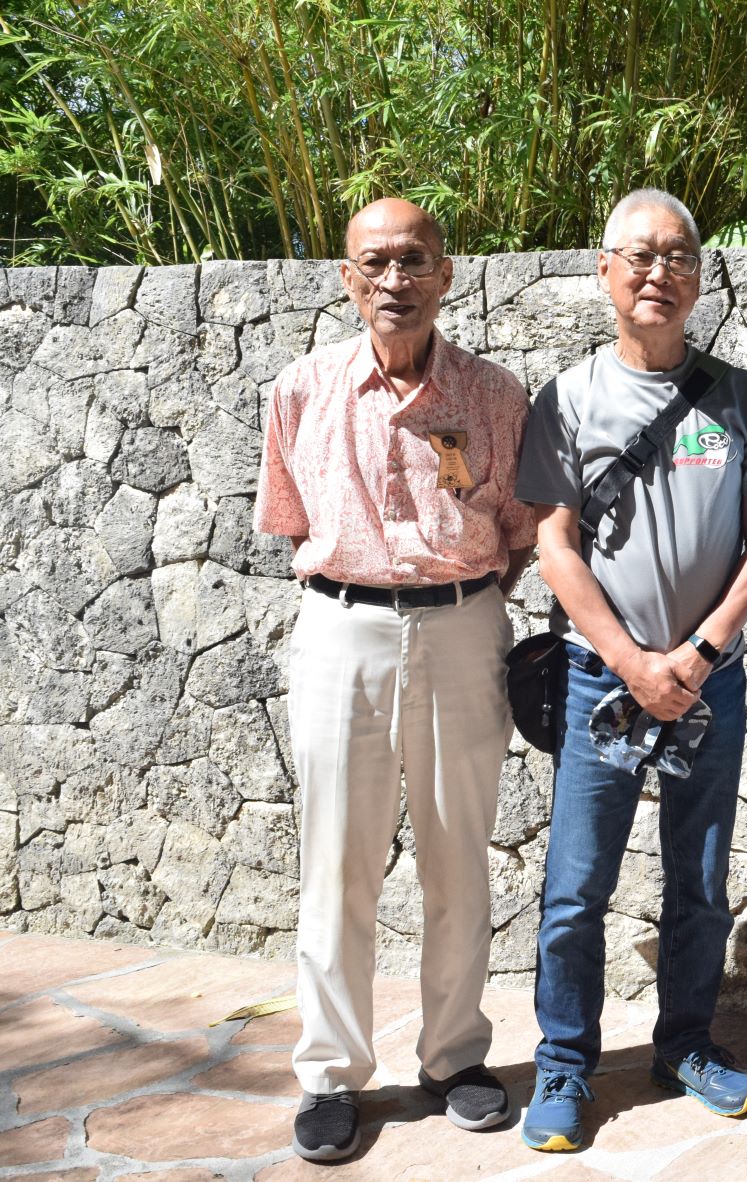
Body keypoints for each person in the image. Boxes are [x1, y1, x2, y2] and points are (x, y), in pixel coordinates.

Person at [254, 198, 537, 1162]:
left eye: (413, 260)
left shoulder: (497, 396)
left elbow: (519, 532)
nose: (394, 281)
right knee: (336, 863)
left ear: (446, 273)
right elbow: (292, 520)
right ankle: (331, 1072)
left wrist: (454, 599)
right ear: (345, 278)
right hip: (341, 631)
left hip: (464, 630)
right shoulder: (298, 390)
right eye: (373, 263)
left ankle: (455, 1056)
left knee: (461, 857)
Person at [514, 188, 747, 1151]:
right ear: (603, 272)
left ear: (700, 275)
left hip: (710, 678)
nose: (656, 272)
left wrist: (700, 653)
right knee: (576, 886)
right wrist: (634, 663)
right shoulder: (568, 398)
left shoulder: (746, 401)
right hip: (601, 680)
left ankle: (685, 1044)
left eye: (676, 256)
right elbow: (553, 545)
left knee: (701, 880)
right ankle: (563, 1065)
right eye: (637, 255)